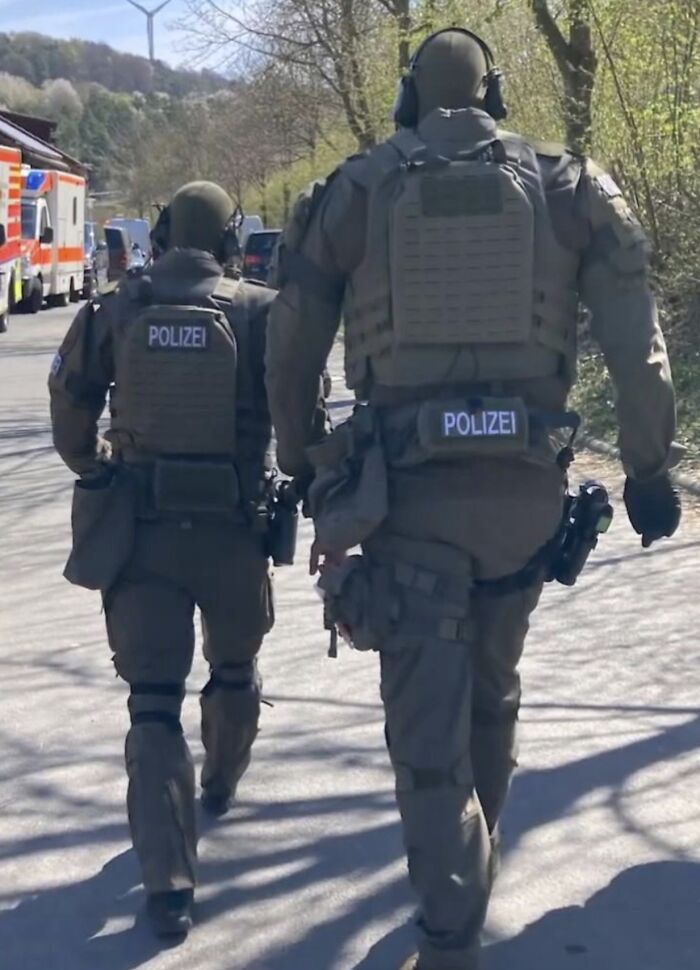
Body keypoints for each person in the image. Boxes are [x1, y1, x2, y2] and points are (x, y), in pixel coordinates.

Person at [265, 27, 681, 970]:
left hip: (408, 502)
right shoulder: (572, 186)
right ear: (494, 96)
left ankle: (451, 937)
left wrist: (303, 459)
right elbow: (638, 343)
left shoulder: (357, 192)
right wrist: (649, 471)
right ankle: (468, 881)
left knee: (428, 747)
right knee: (491, 695)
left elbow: (290, 347)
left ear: (407, 99)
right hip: (526, 500)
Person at [49, 181, 304, 939]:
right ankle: (221, 780)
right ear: (230, 241)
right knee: (235, 670)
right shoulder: (262, 312)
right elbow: (300, 418)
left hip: (144, 532)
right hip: (234, 531)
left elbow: (70, 411)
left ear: (160, 235)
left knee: (153, 701)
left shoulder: (116, 308)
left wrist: (97, 465)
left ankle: (168, 885)